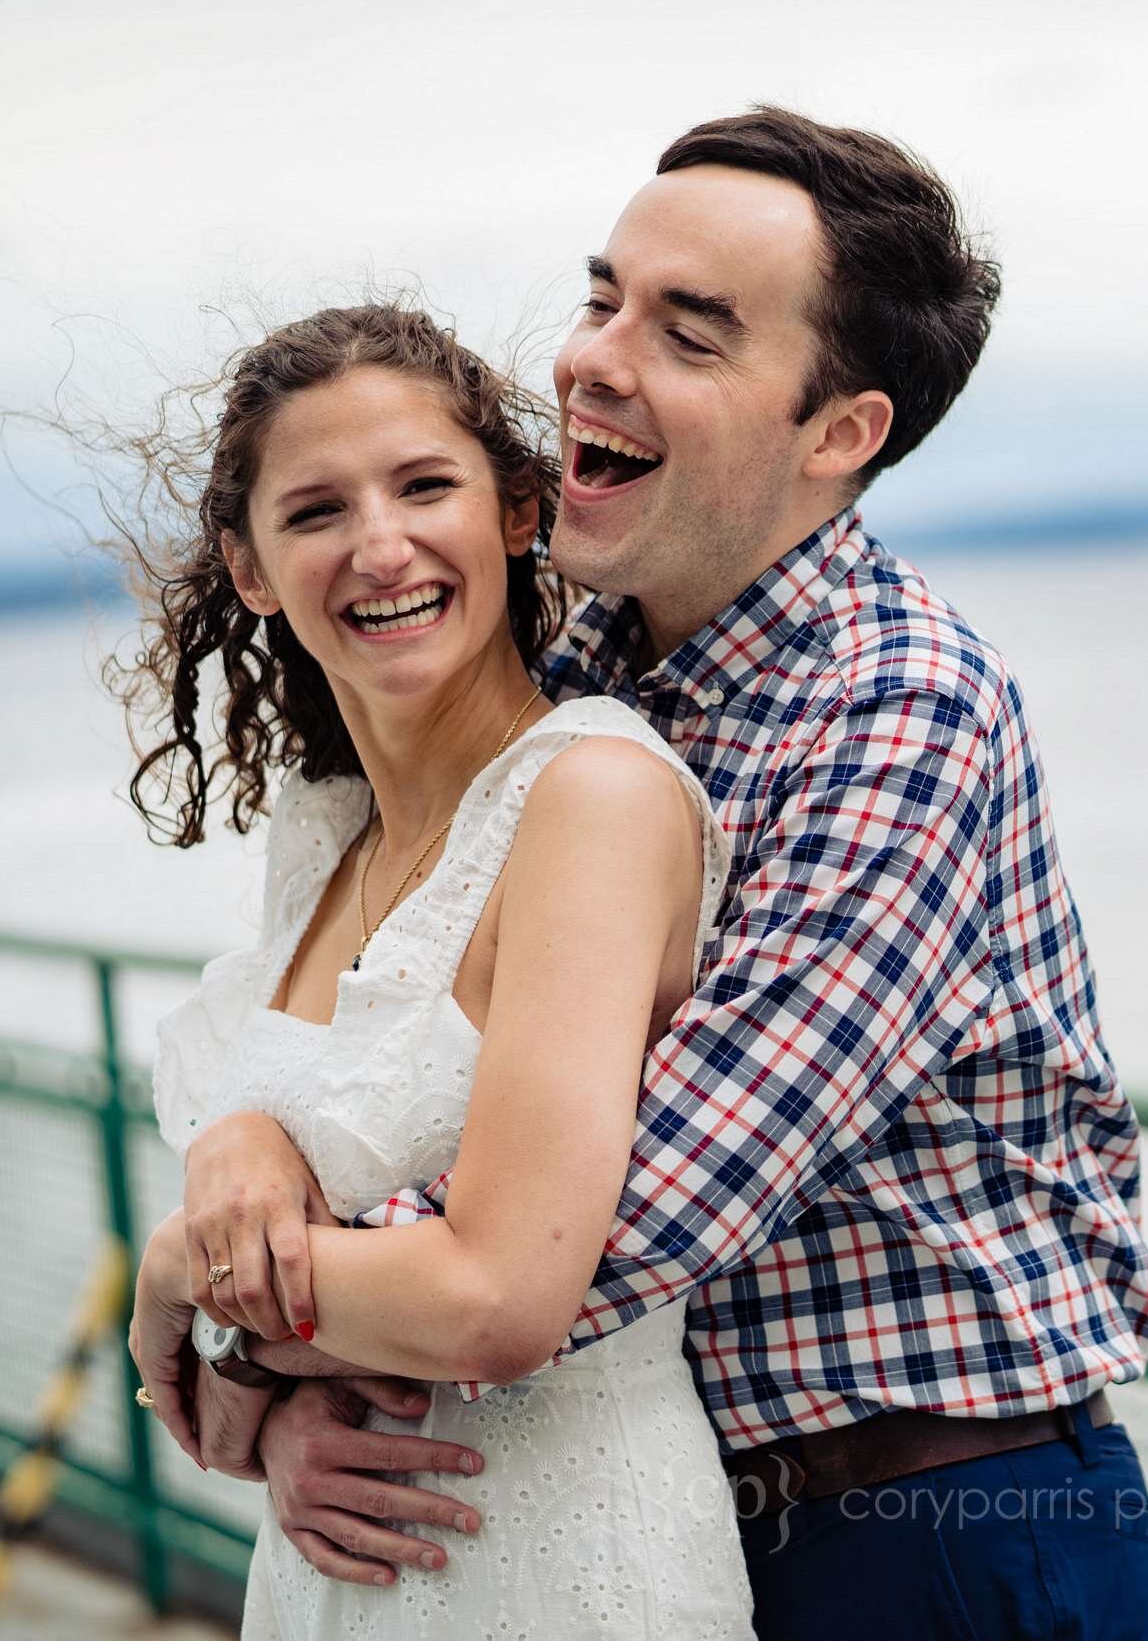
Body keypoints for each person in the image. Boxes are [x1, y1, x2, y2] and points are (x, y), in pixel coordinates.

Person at [144, 108, 1148, 1640]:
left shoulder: (900, 709)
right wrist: (262, 1210)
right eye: (604, 295)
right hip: (643, 1511)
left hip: (932, 1529)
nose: (595, 362)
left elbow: (630, 1214)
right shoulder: (565, 671)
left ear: (839, 436)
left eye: (689, 333)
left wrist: (222, 1303)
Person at [119, 303, 756, 1638]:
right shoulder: (328, 834)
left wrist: (185, 1267)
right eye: (316, 511)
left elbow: (498, 1299)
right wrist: (244, 1178)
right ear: (248, 568)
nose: (382, 545)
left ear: (520, 510)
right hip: (333, 1573)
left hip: (563, 1563)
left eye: (424, 486)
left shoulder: (592, 795)